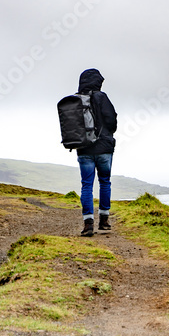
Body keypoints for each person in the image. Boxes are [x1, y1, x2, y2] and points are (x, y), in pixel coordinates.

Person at [75, 68, 117, 236]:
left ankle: (88, 224)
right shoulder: (101, 97)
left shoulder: (76, 100)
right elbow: (112, 121)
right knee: (104, 182)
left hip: (84, 148)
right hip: (104, 148)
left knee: (87, 184)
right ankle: (104, 221)